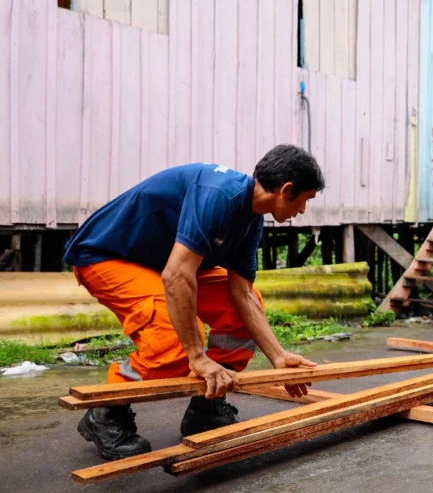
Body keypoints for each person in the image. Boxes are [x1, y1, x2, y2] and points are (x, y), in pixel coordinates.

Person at [63, 145, 325, 461]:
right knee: (171, 337)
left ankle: (207, 404)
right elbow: (176, 276)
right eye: (305, 200)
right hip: (107, 256)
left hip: (161, 261)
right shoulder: (219, 195)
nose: (303, 210)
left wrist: (279, 356)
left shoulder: (250, 219)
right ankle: (106, 411)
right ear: (287, 191)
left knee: (243, 305)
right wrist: (197, 356)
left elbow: (240, 294)